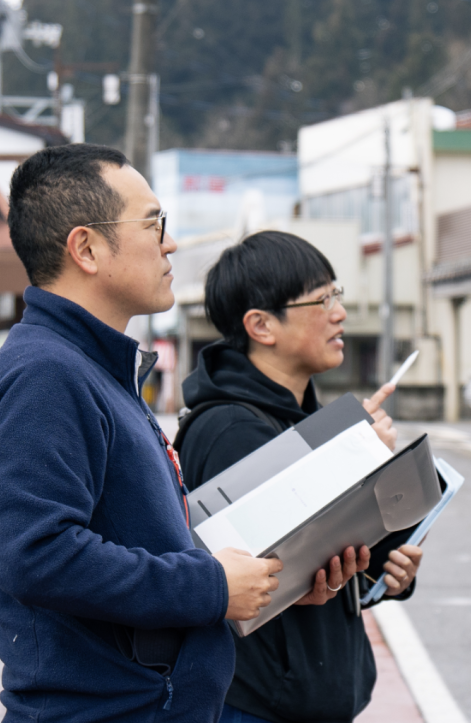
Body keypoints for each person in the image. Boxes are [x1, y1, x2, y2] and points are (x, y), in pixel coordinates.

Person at [0, 144, 283, 722]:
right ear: (86, 248)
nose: (169, 243)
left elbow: (139, 538)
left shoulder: (90, 368)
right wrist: (211, 587)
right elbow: (36, 554)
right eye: (153, 223)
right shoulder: (46, 374)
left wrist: (270, 578)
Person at [178, 230, 423, 723]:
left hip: (302, 698)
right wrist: (355, 461)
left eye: (338, 294)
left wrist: (386, 569)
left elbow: (333, 552)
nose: (339, 312)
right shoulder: (228, 428)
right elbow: (256, 578)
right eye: (321, 298)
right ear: (262, 325)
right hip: (256, 702)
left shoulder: (302, 422)